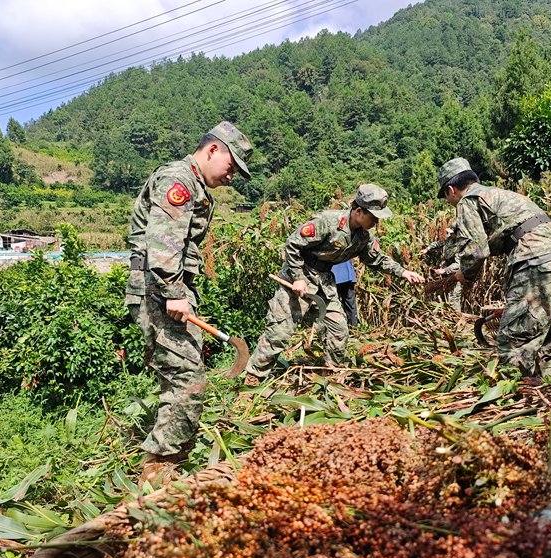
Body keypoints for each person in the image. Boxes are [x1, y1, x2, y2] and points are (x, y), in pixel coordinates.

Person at [125, 121, 254, 484]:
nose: (231, 177)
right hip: (159, 292)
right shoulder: (179, 181)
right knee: (189, 380)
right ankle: (158, 471)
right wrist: (175, 293)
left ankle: (164, 455)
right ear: (213, 150)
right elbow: (164, 243)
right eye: (231, 167)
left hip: (165, 291)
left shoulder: (194, 184)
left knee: (180, 374)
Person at [244, 184, 424, 385]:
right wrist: (297, 277)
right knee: (279, 332)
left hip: (324, 283)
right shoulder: (327, 221)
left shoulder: (364, 236)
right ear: (358, 211)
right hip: (300, 276)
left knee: (338, 331)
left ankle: (331, 377)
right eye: (373, 216)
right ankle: (253, 378)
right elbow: (293, 244)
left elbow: (377, 259)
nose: (376, 221)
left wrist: (404, 272)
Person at [437, 157, 551, 379]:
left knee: (515, 339)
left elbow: (476, 250)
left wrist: (465, 274)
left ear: (451, 190)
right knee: (547, 339)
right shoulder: (498, 194)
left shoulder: (467, 201)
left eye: (447, 198)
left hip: (536, 259)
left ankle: (516, 397)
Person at [419, 225, 463, 312]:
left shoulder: (462, 244)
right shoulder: (449, 238)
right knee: (440, 292)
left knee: (453, 297)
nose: (449, 234)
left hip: (457, 273)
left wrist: (444, 270)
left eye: (452, 233)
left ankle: (457, 319)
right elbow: (440, 243)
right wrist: (428, 249)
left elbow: (458, 264)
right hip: (447, 266)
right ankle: (442, 314)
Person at [331, 260, 360, 326]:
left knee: (334, 305)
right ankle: (353, 329)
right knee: (350, 305)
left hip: (333, 274)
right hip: (347, 273)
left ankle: (340, 329)